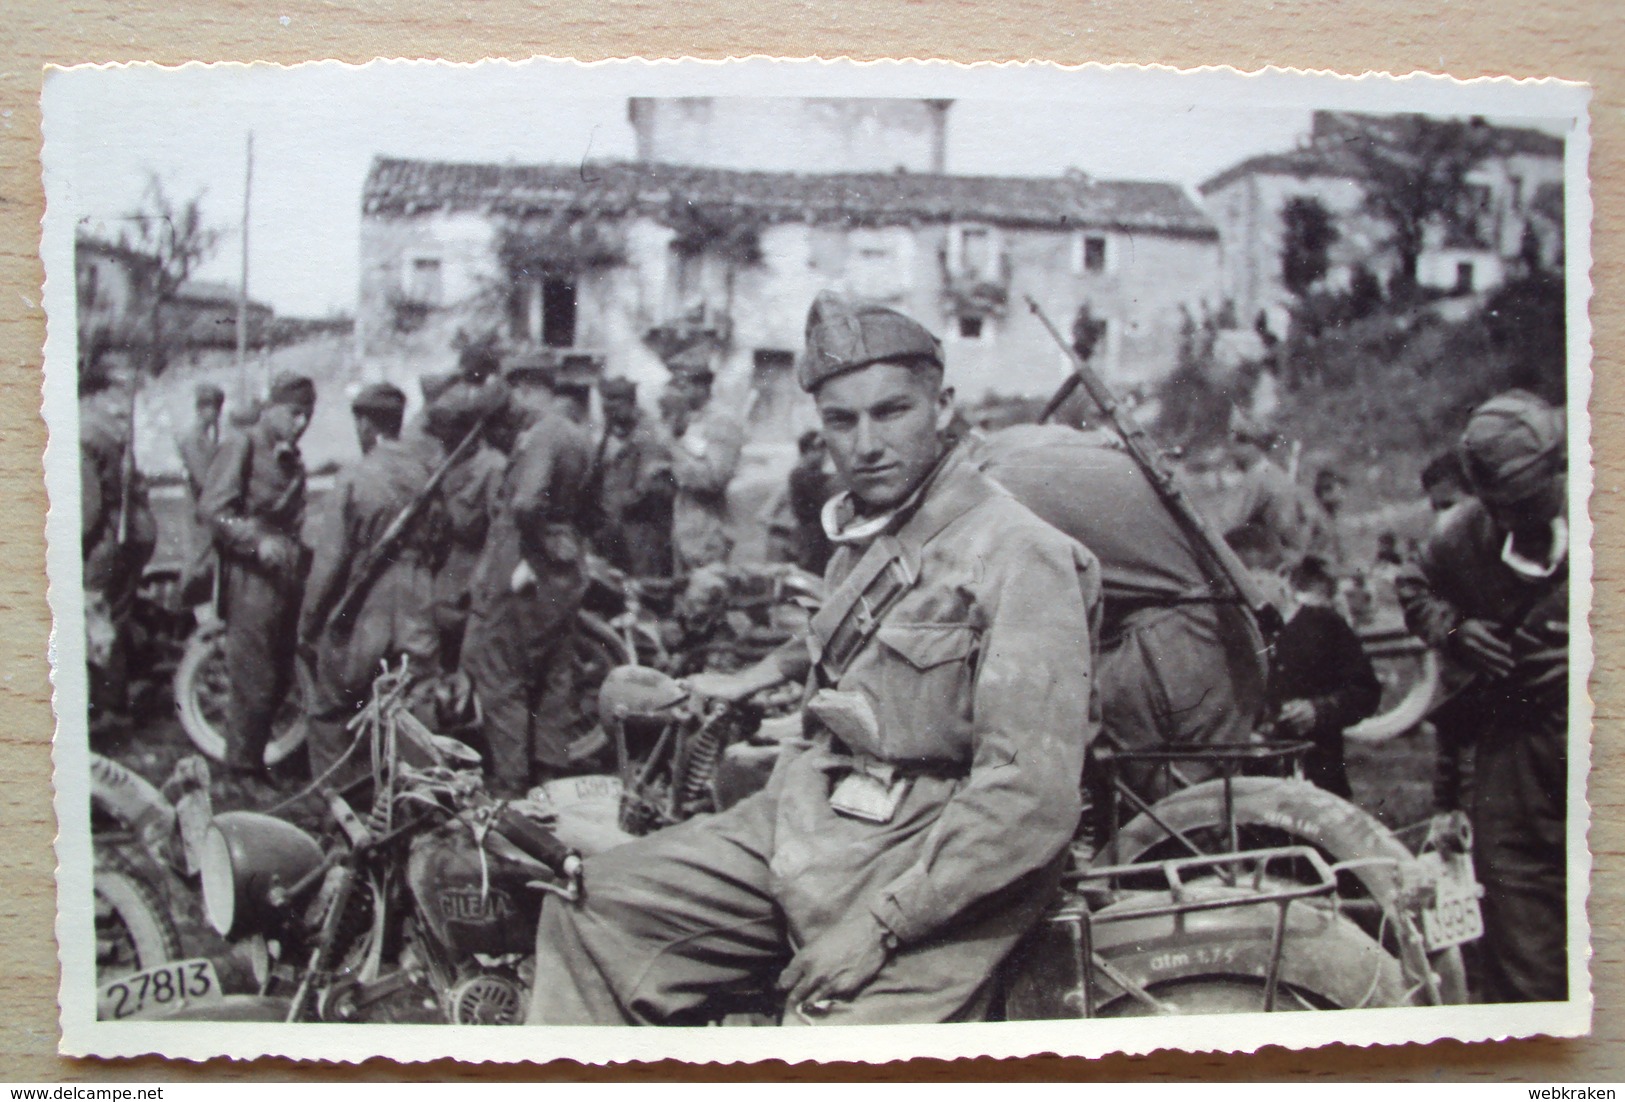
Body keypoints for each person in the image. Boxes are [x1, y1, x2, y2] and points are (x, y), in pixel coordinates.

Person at [528, 292, 1102, 1026]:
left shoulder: (1021, 556)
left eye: (890, 412)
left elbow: (1028, 797)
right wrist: (746, 679)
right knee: (589, 905)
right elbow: (845, 637)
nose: (864, 444)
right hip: (806, 822)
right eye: (840, 420)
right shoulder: (875, 534)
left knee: (818, 1049)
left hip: (925, 865)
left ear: (943, 407)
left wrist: (881, 927)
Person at [969, 423, 1270, 814]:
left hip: (1169, 645)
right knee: (1203, 816)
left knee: (1165, 820)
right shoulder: (1055, 446)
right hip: (1220, 628)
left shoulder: (993, 484)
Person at [1396, 389, 1569, 1003]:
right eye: (1499, 507)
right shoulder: (1462, 535)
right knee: (1523, 934)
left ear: (1559, 469)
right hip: (1514, 756)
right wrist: (1454, 629)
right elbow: (1413, 588)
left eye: (1525, 504)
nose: (1513, 521)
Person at [459, 350, 596, 795]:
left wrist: (532, 549)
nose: (513, 407)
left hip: (526, 568)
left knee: (501, 673)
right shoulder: (577, 434)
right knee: (556, 675)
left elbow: (524, 503)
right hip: (565, 567)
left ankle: (512, 783)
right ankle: (550, 777)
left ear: (529, 388)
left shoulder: (541, 435)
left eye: (516, 393)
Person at [298, 383, 446, 788]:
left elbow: (329, 566)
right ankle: (421, 805)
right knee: (414, 703)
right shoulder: (427, 475)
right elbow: (443, 539)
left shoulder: (354, 478)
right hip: (418, 595)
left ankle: (341, 805)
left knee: (331, 703)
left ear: (364, 424)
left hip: (368, 604)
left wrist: (310, 625)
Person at [197, 372, 316, 779]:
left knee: (281, 674)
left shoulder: (289, 456)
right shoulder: (242, 444)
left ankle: (255, 761)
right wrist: (256, 541)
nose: (302, 424)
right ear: (273, 408)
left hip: (283, 578)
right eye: (295, 413)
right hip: (249, 579)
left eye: (308, 416)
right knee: (254, 676)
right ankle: (241, 771)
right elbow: (214, 510)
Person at [80, 346, 157, 735]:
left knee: (95, 621)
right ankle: (116, 703)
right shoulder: (110, 433)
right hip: (124, 536)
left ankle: (106, 708)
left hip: (98, 544)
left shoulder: (83, 433)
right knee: (115, 618)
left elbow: (86, 509)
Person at [1267, 555, 1380, 798]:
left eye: (1255, 579)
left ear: (1282, 575)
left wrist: (1319, 710)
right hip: (1254, 782)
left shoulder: (1325, 624)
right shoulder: (1237, 628)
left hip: (1319, 777)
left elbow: (1365, 692)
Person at [419, 372, 507, 669]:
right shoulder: (440, 465)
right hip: (444, 565)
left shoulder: (491, 468)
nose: (443, 444)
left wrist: (481, 581)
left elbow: (501, 531)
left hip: (475, 567)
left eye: (448, 437)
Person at [667, 350, 746, 570]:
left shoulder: (721, 421)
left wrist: (672, 450)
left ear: (701, 386)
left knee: (705, 596)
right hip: (685, 527)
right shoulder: (687, 420)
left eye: (682, 386)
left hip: (708, 530)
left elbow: (714, 479)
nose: (676, 393)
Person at [591, 376, 677, 578]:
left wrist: (611, 505)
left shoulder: (650, 434)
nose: (608, 414)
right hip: (613, 532)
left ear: (629, 403)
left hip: (642, 534)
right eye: (605, 408)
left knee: (643, 592)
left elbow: (648, 488)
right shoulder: (610, 434)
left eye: (613, 407)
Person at [1218, 410, 1308, 567]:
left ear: (1253, 445)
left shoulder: (1256, 479)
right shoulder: (1276, 475)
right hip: (1286, 559)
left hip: (1266, 563)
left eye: (1238, 442)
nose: (1232, 452)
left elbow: (1225, 527)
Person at [786, 429, 836, 575]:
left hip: (812, 533)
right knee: (814, 571)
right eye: (820, 451)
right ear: (809, 451)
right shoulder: (803, 475)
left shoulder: (802, 473)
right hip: (811, 535)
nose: (823, 456)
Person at [1304, 466, 1349, 571]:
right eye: (1340, 492)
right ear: (1325, 493)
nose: (1343, 497)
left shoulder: (1331, 519)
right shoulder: (1313, 518)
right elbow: (1304, 552)